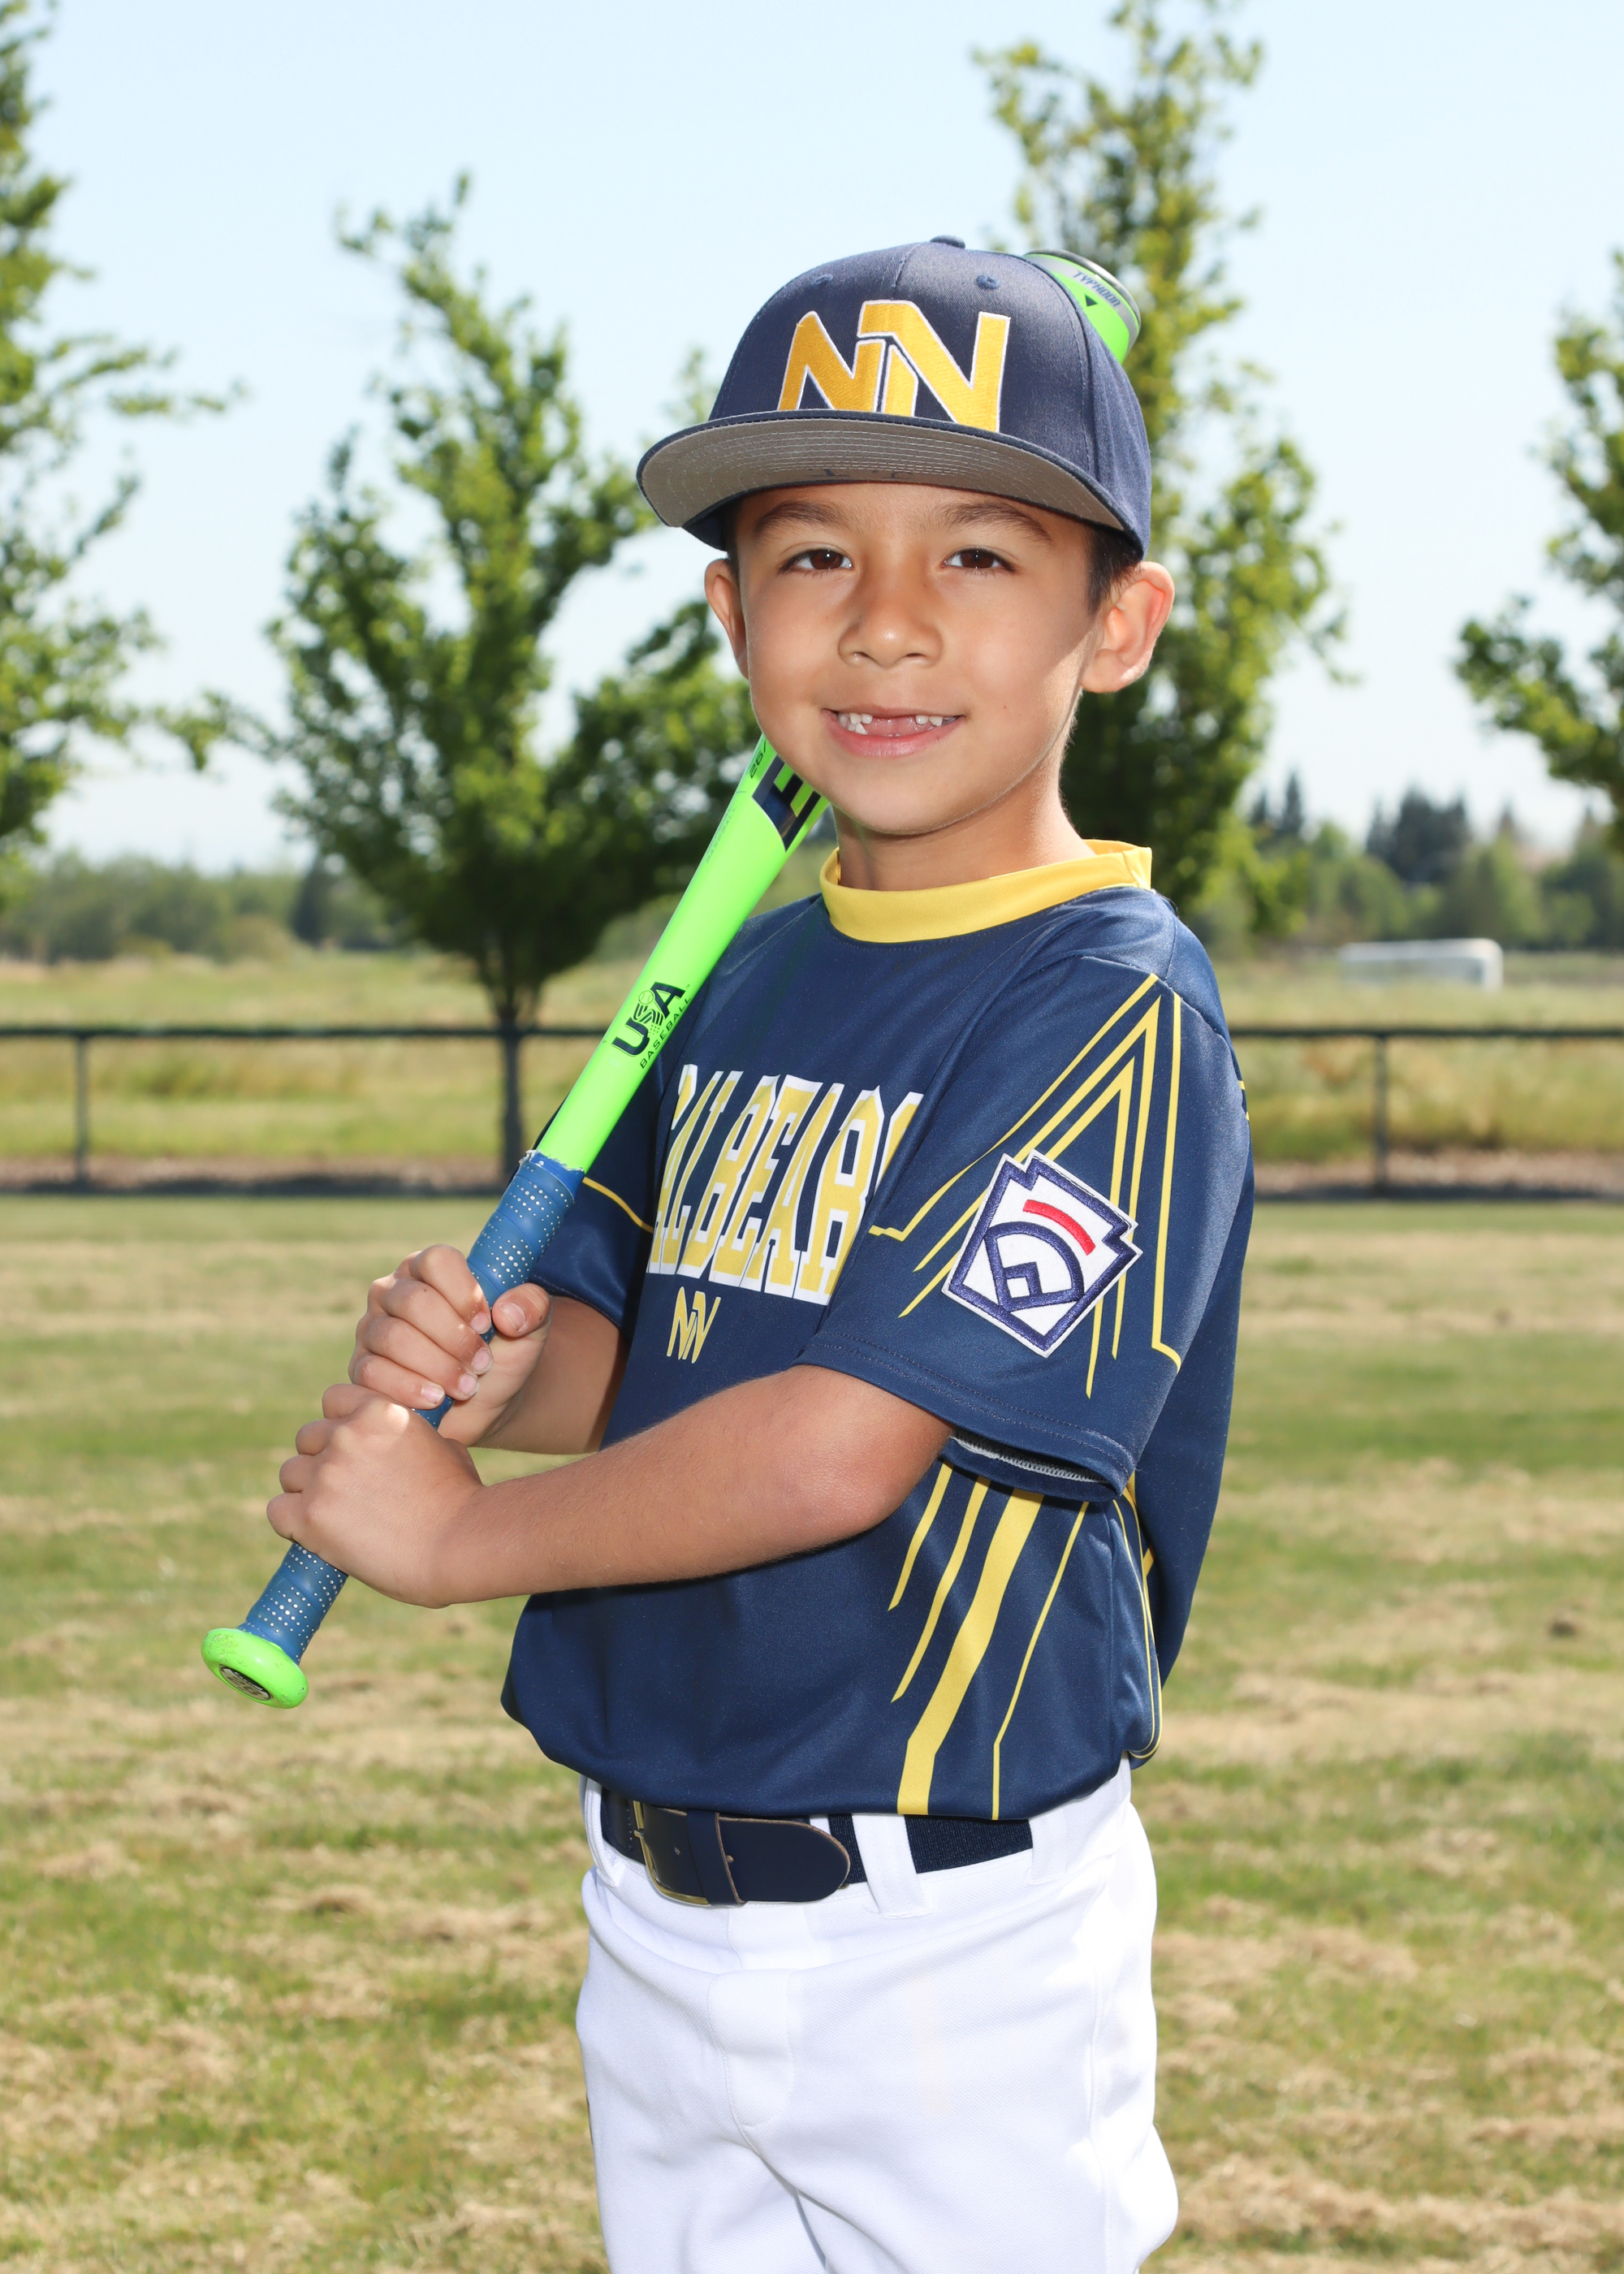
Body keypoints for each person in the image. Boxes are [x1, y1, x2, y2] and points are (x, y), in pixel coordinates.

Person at [270, 236, 1254, 2273]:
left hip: (949, 1928)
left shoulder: (1111, 1006)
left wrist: (453, 1535)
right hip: (655, 1886)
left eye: (976, 555)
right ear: (732, 616)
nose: (885, 621)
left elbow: (839, 1441)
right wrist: (503, 1367)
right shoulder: (751, 966)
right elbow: (655, 1354)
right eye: (811, 556)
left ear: (1118, 623)